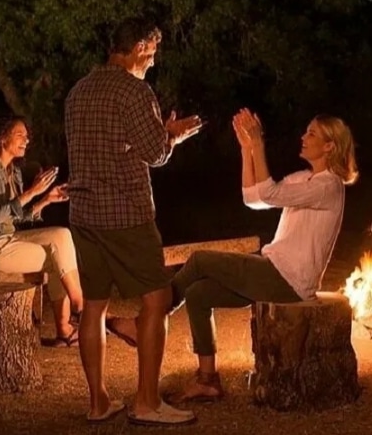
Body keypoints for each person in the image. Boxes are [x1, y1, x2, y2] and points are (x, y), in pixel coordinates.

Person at [106, 108, 358, 402]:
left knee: (199, 260)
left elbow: (268, 193)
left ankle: (144, 323)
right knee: (199, 294)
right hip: (272, 271)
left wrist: (258, 145)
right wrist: (246, 149)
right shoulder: (305, 178)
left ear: (329, 146)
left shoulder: (328, 186)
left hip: (287, 280)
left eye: (312, 133)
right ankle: (207, 380)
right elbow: (254, 198)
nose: (304, 137)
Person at [64, 17, 203, 425]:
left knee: (94, 306)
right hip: (125, 212)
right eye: (152, 52)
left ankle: (98, 403)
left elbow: (105, 145)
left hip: (84, 214)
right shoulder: (135, 90)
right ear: (139, 46)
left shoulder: (78, 90)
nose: (153, 61)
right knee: (157, 299)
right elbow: (154, 152)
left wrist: (159, 133)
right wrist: (171, 134)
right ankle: (147, 403)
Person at [0, 115, 82, 345]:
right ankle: (75, 318)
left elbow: (16, 216)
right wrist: (32, 192)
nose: (26, 140)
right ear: (2, 138)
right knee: (57, 257)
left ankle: (77, 311)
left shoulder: (13, 171)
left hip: (7, 239)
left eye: (27, 136)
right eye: (20, 135)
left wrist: (45, 200)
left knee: (62, 235)